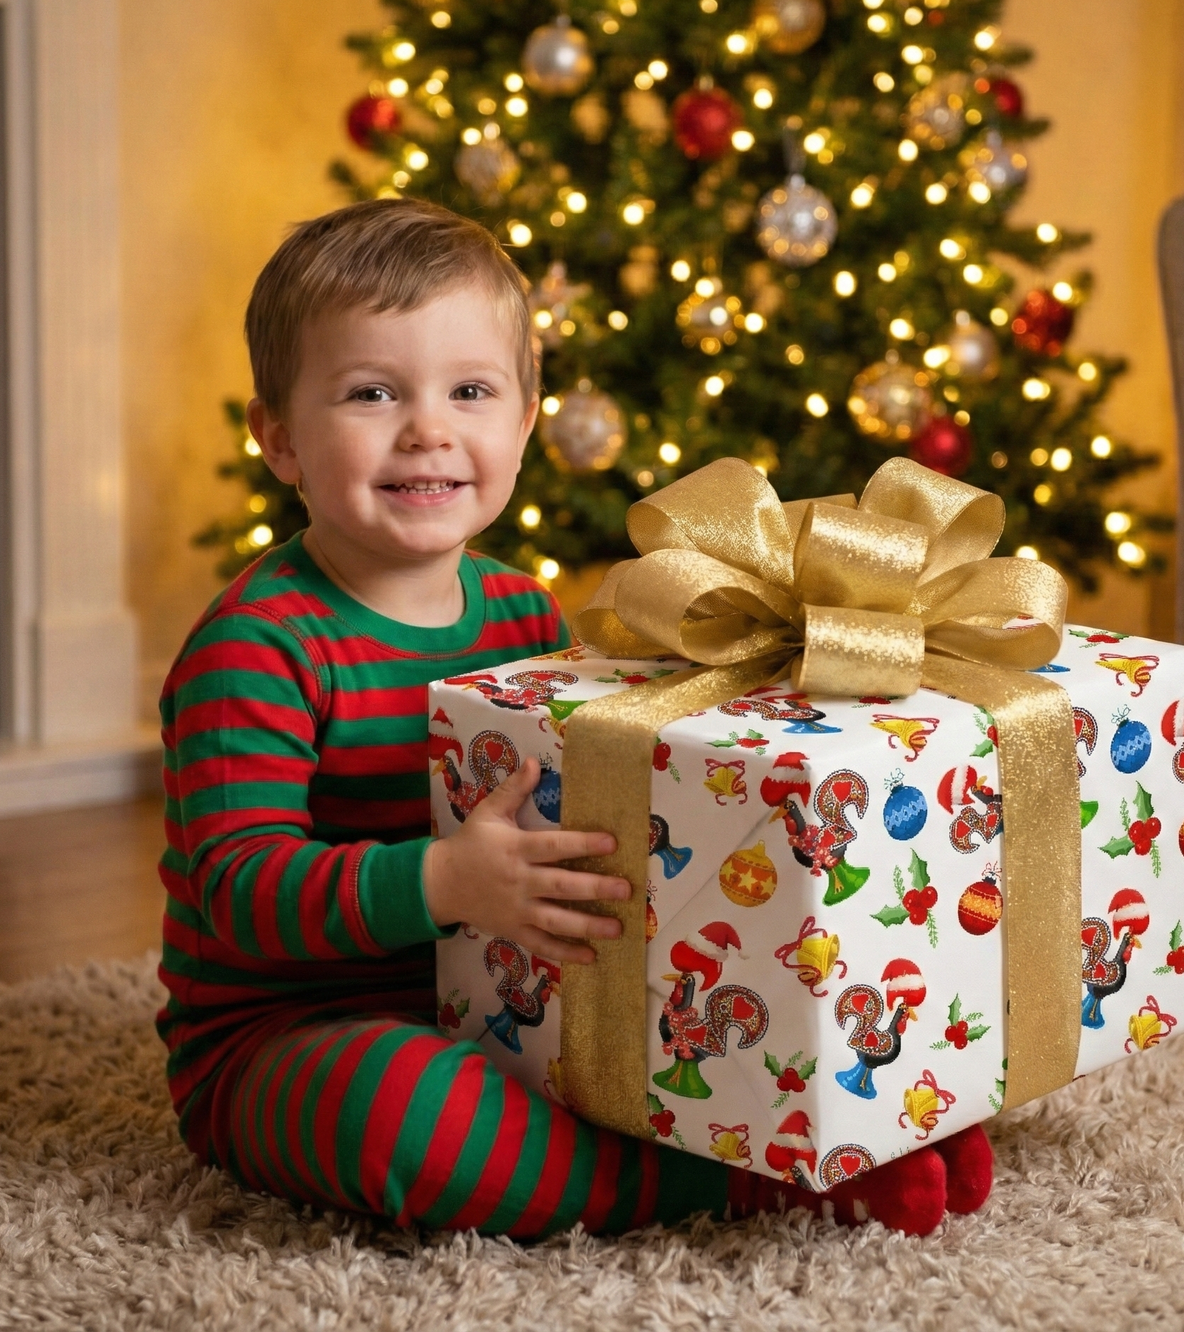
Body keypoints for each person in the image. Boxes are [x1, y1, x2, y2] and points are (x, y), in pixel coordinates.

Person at [156, 198, 993, 1240]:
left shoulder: (521, 612)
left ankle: (826, 1120)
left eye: (469, 390)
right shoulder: (258, 646)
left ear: (522, 420)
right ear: (277, 436)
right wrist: (445, 880)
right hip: (293, 1031)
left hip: (508, 984)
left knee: (707, 978)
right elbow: (242, 893)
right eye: (371, 392)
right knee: (410, 1117)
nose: (428, 428)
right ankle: (747, 1183)